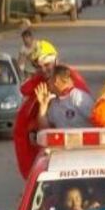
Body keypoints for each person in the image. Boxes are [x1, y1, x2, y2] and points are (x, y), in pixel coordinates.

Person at [13, 40, 91, 178]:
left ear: (56, 61)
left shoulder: (78, 94)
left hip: (83, 153)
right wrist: (42, 109)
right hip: (60, 154)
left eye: (47, 65)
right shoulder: (45, 94)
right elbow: (45, 127)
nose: (43, 70)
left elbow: (95, 120)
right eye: (39, 67)